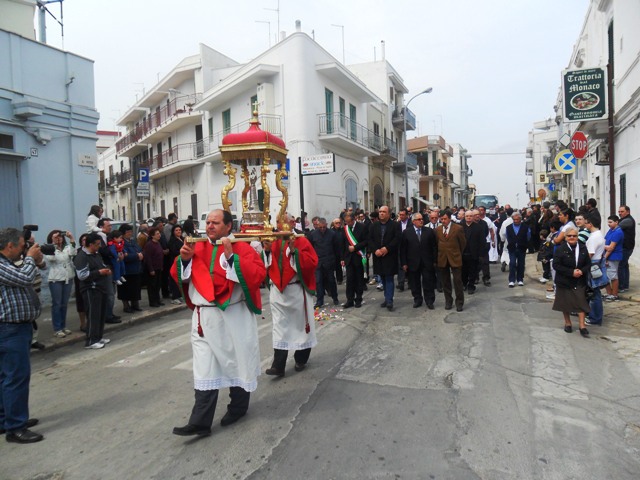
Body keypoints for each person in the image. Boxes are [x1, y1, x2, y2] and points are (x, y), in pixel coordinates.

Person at [170, 209, 265, 436]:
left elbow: (258, 275)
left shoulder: (243, 247)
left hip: (233, 316)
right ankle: (200, 422)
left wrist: (233, 258)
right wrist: (183, 260)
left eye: (215, 222)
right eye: (208, 222)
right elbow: (178, 275)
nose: (210, 226)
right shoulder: (195, 247)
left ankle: (238, 408)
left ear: (228, 226)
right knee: (204, 369)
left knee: (237, 362)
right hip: (204, 318)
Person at [0, 227, 45, 443]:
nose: (23, 249)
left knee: (6, 377)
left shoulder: (7, 263)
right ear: (10, 246)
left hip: (15, 328)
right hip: (9, 329)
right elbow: (25, 278)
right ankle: (15, 427)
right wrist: (30, 259)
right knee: (16, 378)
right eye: (21, 245)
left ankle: (7, 419)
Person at [262, 233, 318, 377]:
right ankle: (278, 366)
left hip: (296, 290)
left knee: (301, 328)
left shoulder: (302, 241)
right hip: (278, 293)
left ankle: (301, 360)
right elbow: (265, 265)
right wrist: (267, 250)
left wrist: (294, 252)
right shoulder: (273, 241)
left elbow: (312, 263)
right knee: (279, 328)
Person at [73, 233, 113, 349]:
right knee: (93, 314)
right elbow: (82, 275)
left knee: (100, 314)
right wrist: (99, 273)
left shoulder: (96, 254)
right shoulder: (81, 257)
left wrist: (106, 270)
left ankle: (98, 337)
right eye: (97, 244)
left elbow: (101, 265)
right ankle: (91, 340)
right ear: (90, 244)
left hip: (101, 287)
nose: (99, 246)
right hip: (91, 288)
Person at [552, 227, 590, 337]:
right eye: (569, 236)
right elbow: (556, 265)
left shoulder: (583, 248)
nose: (572, 237)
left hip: (579, 280)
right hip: (564, 280)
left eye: (574, 235)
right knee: (565, 302)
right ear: (565, 237)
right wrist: (571, 272)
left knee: (581, 301)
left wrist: (581, 271)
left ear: (577, 237)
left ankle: (582, 326)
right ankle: (567, 323)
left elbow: (588, 263)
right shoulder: (560, 249)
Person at [400, 212, 437, 309]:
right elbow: (403, 249)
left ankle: (429, 300)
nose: (421, 221)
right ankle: (417, 299)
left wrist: (434, 260)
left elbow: (434, 247)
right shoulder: (407, 233)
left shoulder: (429, 231)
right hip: (413, 262)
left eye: (422, 219)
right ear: (413, 221)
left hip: (427, 262)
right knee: (414, 282)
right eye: (419, 219)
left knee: (428, 282)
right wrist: (404, 263)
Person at [44, 230, 76, 338]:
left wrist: (71, 238)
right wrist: (53, 243)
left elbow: (73, 253)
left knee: (64, 303)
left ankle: (63, 326)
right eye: (56, 237)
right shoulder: (49, 248)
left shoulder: (67, 247)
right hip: (56, 279)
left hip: (68, 277)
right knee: (57, 304)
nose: (59, 239)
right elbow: (51, 258)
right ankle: (57, 328)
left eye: (60, 237)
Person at [369, 206, 399, 311]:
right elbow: (370, 239)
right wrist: (375, 250)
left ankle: (390, 300)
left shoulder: (395, 225)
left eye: (383, 212)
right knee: (382, 278)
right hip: (378, 256)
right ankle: (386, 299)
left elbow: (397, 239)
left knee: (389, 278)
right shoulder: (374, 226)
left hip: (389, 256)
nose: (381, 213)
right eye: (380, 212)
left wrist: (387, 248)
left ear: (388, 214)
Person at [435, 211, 466, 312]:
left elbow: (463, 243)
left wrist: (457, 253)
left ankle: (459, 302)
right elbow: (436, 244)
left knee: (457, 281)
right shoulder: (438, 230)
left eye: (445, 219)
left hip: (455, 258)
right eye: (441, 219)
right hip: (443, 258)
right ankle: (448, 301)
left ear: (449, 218)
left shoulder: (458, 229)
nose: (443, 221)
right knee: (445, 281)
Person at [308, 217, 340, 308]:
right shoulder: (313, 234)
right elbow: (310, 248)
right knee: (318, 282)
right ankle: (319, 300)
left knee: (331, 280)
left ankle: (335, 297)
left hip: (329, 260)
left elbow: (336, 248)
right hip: (318, 262)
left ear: (326, 225)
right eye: (320, 227)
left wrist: (335, 260)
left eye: (324, 227)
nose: (322, 229)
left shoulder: (332, 234)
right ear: (318, 226)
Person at [340, 212, 367, 308]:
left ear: (353, 219)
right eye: (346, 222)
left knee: (359, 279)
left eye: (349, 222)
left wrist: (355, 247)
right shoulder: (345, 229)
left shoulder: (362, 227)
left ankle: (358, 299)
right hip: (348, 258)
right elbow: (342, 244)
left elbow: (366, 241)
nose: (348, 224)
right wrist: (342, 258)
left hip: (358, 257)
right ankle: (349, 300)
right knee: (349, 279)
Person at [584, 215, 605, 326]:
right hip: (596, 264)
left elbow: (590, 254)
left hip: (593, 265)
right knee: (593, 292)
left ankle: (595, 318)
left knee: (594, 293)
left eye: (586, 222)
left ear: (590, 224)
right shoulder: (598, 235)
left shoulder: (594, 237)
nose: (585, 224)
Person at [118, 224, 143, 313]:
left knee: (135, 288)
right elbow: (125, 256)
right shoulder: (121, 243)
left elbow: (139, 249)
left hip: (136, 268)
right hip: (127, 270)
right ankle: (126, 306)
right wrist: (136, 255)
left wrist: (139, 254)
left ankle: (135, 304)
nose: (130, 233)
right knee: (125, 289)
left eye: (131, 231)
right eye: (128, 232)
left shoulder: (132, 241)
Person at [461, 211, 485, 295]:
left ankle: (471, 286)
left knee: (473, 271)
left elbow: (482, 242)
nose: (469, 217)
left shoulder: (478, 227)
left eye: (470, 216)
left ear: (473, 217)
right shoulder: (460, 227)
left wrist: (481, 254)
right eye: (467, 216)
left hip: (474, 253)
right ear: (464, 217)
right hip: (462, 253)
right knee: (463, 271)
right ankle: (464, 283)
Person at [505, 212, 530, 287]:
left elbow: (528, 237)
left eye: (517, 219)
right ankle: (511, 280)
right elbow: (507, 237)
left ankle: (520, 279)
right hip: (512, 248)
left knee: (521, 264)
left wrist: (524, 244)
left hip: (522, 248)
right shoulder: (508, 227)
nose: (516, 221)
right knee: (512, 263)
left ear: (520, 219)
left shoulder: (525, 227)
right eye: (514, 219)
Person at [604, 215, 624, 302]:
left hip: (613, 256)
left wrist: (604, 257)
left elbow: (611, 248)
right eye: (608, 222)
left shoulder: (618, 232)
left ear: (616, 222)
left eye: (610, 222)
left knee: (613, 276)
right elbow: (605, 241)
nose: (609, 224)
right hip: (608, 255)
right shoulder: (611, 230)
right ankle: (609, 293)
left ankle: (614, 294)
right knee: (606, 275)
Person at [143, 227, 164, 307]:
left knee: (158, 285)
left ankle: (158, 300)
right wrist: (151, 269)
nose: (159, 235)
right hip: (152, 268)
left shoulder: (158, 243)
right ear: (152, 236)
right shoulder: (149, 245)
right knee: (152, 286)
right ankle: (152, 301)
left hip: (158, 267)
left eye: (159, 233)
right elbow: (148, 258)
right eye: (157, 234)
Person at [618, 205, 635, 292]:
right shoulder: (625, 219)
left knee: (621, 266)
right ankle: (625, 285)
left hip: (626, 247)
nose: (620, 213)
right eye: (619, 212)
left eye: (622, 211)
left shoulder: (627, 221)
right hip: (627, 246)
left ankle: (621, 286)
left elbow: (616, 226)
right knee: (624, 265)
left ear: (627, 212)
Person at [167, 224, 185, 304]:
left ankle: (180, 295)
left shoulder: (182, 239)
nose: (178, 232)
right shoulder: (172, 240)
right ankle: (175, 297)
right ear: (173, 232)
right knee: (174, 279)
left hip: (182, 261)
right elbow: (174, 251)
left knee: (180, 279)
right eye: (176, 230)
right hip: (175, 261)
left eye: (179, 230)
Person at [395, 208, 410, 291]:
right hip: (400, 247)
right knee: (400, 264)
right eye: (400, 215)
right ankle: (401, 283)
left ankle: (410, 282)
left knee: (410, 264)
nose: (401, 216)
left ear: (407, 215)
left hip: (410, 246)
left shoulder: (411, 223)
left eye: (403, 215)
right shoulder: (397, 224)